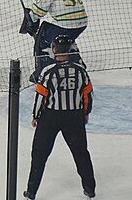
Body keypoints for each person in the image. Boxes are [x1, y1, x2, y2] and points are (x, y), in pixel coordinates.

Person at [23, 35, 96, 200]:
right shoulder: (81, 71)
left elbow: (41, 97)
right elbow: (88, 95)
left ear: (54, 49)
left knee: (39, 154)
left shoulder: (48, 72)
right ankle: (90, 190)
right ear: (70, 50)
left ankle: (31, 192)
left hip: (51, 118)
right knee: (81, 154)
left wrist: (36, 115)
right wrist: (85, 113)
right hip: (74, 118)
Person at [20, 0, 89, 83]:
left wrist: (30, 20)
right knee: (67, 39)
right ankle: (78, 64)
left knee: (43, 41)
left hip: (65, 24)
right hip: (82, 23)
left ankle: (43, 72)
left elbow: (39, 11)